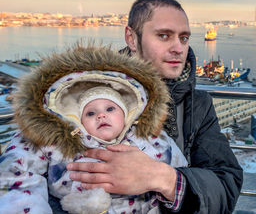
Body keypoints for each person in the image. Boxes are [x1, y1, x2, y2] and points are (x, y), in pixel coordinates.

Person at [67, 0, 244, 213]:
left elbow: (226, 186)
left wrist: (163, 178)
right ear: (131, 38)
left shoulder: (197, 105)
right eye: (163, 36)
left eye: (184, 38)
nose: (179, 48)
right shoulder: (82, 95)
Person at [0, 43, 187, 214]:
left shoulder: (149, 139)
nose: (101, 115)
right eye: (90, 113)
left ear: (128, 114)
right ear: (78, 121)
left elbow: (179, 170)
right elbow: (16, 176)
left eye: (110, 108)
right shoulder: (54, 143)